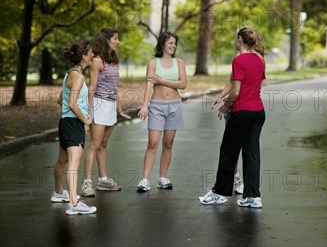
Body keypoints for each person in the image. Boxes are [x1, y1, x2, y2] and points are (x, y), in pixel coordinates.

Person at [200, 26, 266, 209]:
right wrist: (222, 95)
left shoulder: (239, 59)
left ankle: (219, 193)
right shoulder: (260, 59)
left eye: (236, 39)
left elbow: (237, 91)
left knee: (228, 151)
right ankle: (253, 197)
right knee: (251, 154)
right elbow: (245, 83)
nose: (235, 42)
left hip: (242, 112)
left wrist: (226, 106)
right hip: (258, 112)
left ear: (240, 40)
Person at [82, 28, 131, 197]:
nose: (118, 41)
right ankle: (86, 183)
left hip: (110, 106)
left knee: (103, 144)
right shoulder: (97, 60)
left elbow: (115, 87)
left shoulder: (113, 61)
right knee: (94, 145)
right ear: (107, 40)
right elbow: (92, 87)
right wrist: (88, 112)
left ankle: (103, 180)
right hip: (99, 104)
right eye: (115, 38)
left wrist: (119, 108)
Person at [136, 31, 188, 192]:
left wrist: (162, 80)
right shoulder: (153, 63)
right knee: (152, 143)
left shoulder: (179, 62)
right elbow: (149, 85)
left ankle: (162, 178)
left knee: (168, 143)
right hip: (157, 105)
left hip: (175, 105)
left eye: (175, 43)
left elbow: (183, 84)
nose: (173, 46)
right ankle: (145, 180)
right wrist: (145, 105)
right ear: (163, 44)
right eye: (170, 42)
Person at [52, 40, 97, 215]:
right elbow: (72, 104)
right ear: (84, 56)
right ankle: (73, 203)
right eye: (91, 52)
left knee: (62, 161)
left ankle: (58, 192)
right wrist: (85, 121)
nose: (93, 55)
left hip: (65, 122)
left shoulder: (69, 74)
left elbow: (60, 99)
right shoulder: (78, 76)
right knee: (74, 162)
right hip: (73, 123)